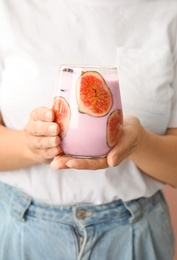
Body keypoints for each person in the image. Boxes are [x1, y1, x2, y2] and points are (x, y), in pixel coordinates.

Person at [0, 0, 176, 259]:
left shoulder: (169, 10)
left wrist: (140, 143)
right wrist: (32, 146)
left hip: (134, 236)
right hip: (24, 232)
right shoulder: (8, 7)